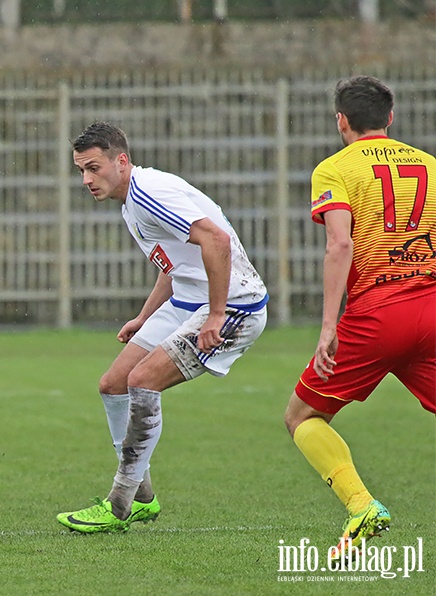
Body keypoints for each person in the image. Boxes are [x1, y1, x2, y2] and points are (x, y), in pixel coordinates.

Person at [56, 122, 269, 533]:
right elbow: (173, 263)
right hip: (187, 301)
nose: (86, 179)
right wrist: (144, 315)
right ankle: (143, 498)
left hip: (235, 306)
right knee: (113, 384)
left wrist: (216, 315)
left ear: (121, 161)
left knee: (143, 380)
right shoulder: (131, 200)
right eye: (81, 170)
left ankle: (119, 503)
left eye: (93, 168)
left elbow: (217, 242)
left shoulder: (150, 194)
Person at [283, 75, 435, 561]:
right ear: (390, 118)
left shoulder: (334, 169)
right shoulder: (430, 166)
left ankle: (361, 505)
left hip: (376, 314)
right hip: (431, 307)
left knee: (302, 416)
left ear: (341, 121)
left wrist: (329, 326)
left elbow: (340, 244)